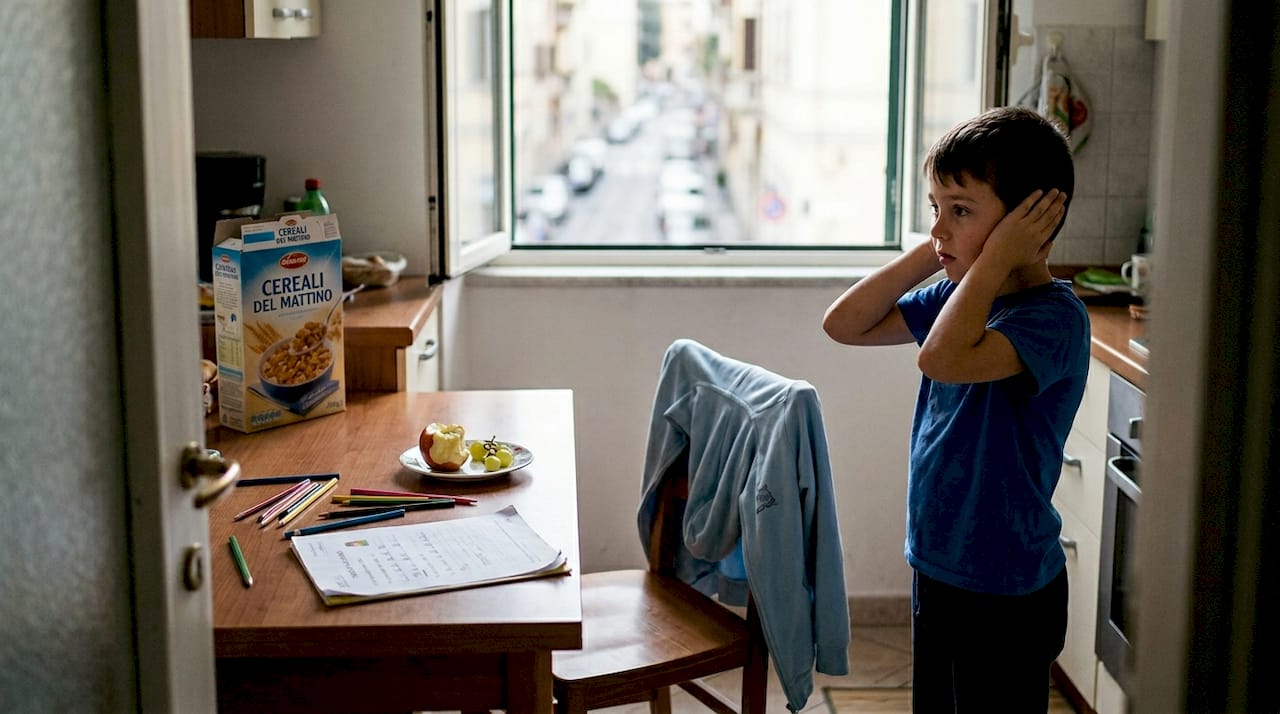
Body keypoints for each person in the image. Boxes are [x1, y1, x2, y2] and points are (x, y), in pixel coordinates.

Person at [822, 106, 1089, 713]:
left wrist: (994, 257)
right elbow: (845, 324)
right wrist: (935, 250)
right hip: (939, 561)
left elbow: (941, 359)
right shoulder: (957, 293)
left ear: (1029, 223)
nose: (941, 226)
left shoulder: (1051, 320)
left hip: (1009, 587)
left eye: (961, 209)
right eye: (935, 207)